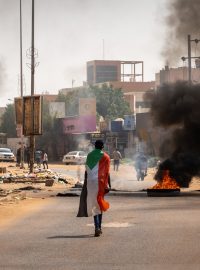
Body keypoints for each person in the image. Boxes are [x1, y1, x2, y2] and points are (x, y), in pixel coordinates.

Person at [77, 140, 111, 237]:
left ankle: (97, 227)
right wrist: (109, 185)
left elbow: (87, 170)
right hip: (100, 183)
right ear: (102, 147)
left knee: (95, 204)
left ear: (95, 146)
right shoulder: (106, 157)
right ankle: (98, 227)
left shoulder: (90, 155)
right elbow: (107, 172)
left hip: (91, 183)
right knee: (99, 204)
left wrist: (86, 182)